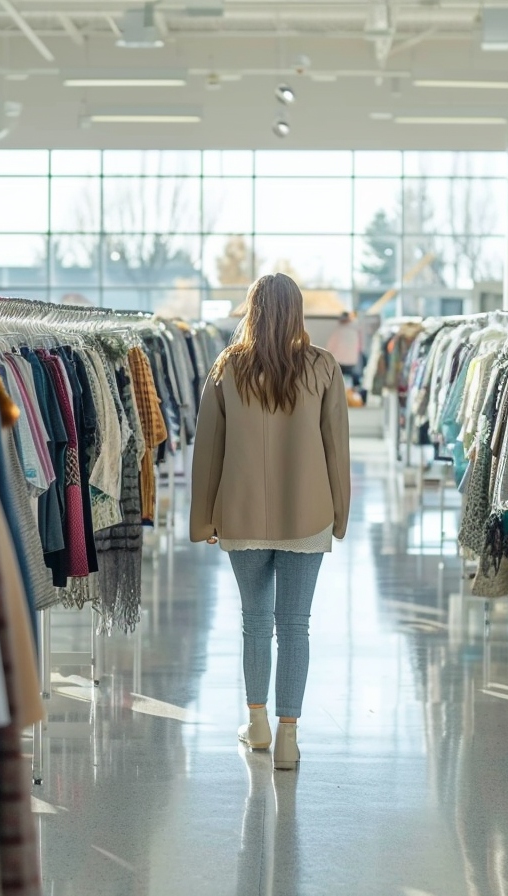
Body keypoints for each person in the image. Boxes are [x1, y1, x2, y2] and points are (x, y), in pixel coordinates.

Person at [190, 273, 352, 771]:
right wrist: (339, 516)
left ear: (252, 309)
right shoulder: (322, 366)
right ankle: (288, 736)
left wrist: (204, 518)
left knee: (255, 621)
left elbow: (208, 452)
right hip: (307, 515)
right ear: (298, 311)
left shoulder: (227, 368)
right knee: (295, 625)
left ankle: (256, 723)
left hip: (241, 513)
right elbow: (336, 450)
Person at [326, 311, 367, 402]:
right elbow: (360, 346)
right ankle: (350, 398)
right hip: (351, 360)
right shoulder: (356, 328)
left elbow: (331, 345)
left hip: (338, 359)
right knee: (350, 380)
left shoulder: (338, 329)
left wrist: (328, 354)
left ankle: (341, 398)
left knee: (338, 380)